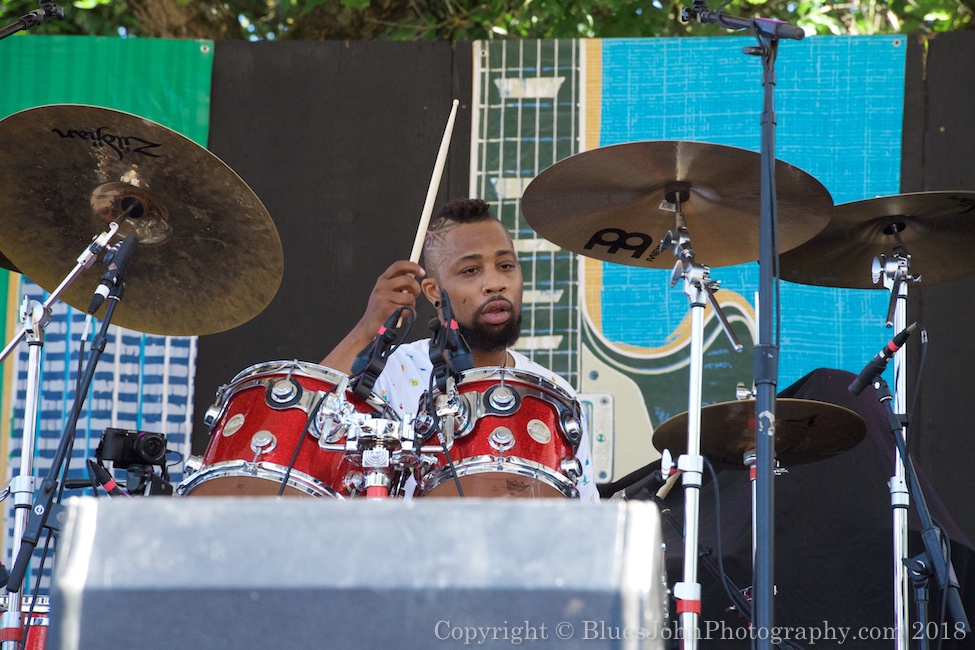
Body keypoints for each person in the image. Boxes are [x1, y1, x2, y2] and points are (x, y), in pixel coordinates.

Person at [322, 198, 598, 501]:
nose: (495, 283)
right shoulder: (390, 372)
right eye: (470, 271)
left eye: (506, 266)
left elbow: (582, 513)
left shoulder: (553, 397)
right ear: (433, 292)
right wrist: (366, 329)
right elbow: (308, 436)